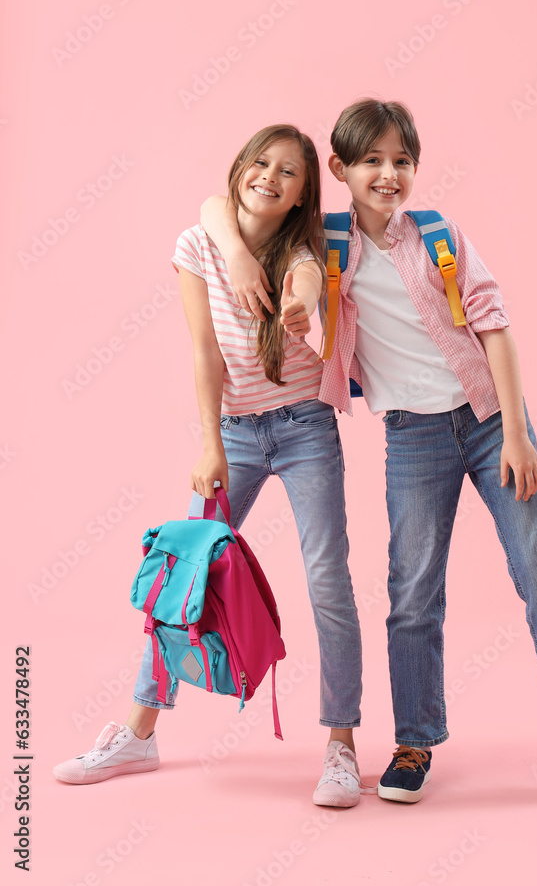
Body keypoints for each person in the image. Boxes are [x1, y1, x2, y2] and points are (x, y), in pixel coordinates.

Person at [201, 100, 537, 805]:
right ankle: (414, 740)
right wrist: (277, 283)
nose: (387, 174)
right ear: (337, 170)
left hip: (490, 423)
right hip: (413, 438)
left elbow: (495, 327)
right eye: (370, 161)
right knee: (413, 594)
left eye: (401, 161)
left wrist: (516, 432)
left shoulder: (437, 234)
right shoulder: (323, 243)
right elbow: (216, 206)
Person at [53, 124, 366, 808]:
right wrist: (209, 443)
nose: (271, 178)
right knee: (183, 573)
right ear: (241, 169)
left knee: (327, 579)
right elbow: (205, 352)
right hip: (235, 433)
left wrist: (302, 302)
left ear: (302, 196)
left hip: (306, 426)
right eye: (262, 163)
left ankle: (341, 746)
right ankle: (140, 732)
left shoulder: (306, 247)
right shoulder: (201, 242)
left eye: (290, 173)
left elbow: (311, 275)